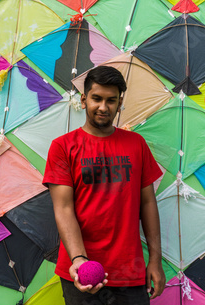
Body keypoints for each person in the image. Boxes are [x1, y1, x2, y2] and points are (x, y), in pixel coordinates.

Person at [43, 66, 165, 304]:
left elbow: (148, 203)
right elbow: (63, 209)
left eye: (111, 101)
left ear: (119, 103)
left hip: (130, 271)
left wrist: (155, 260)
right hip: (80, 271)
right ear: (83, 99)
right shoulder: (63, 147)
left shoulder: (136, 144)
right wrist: (79, 259)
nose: (103, 107)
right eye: (96, 98)